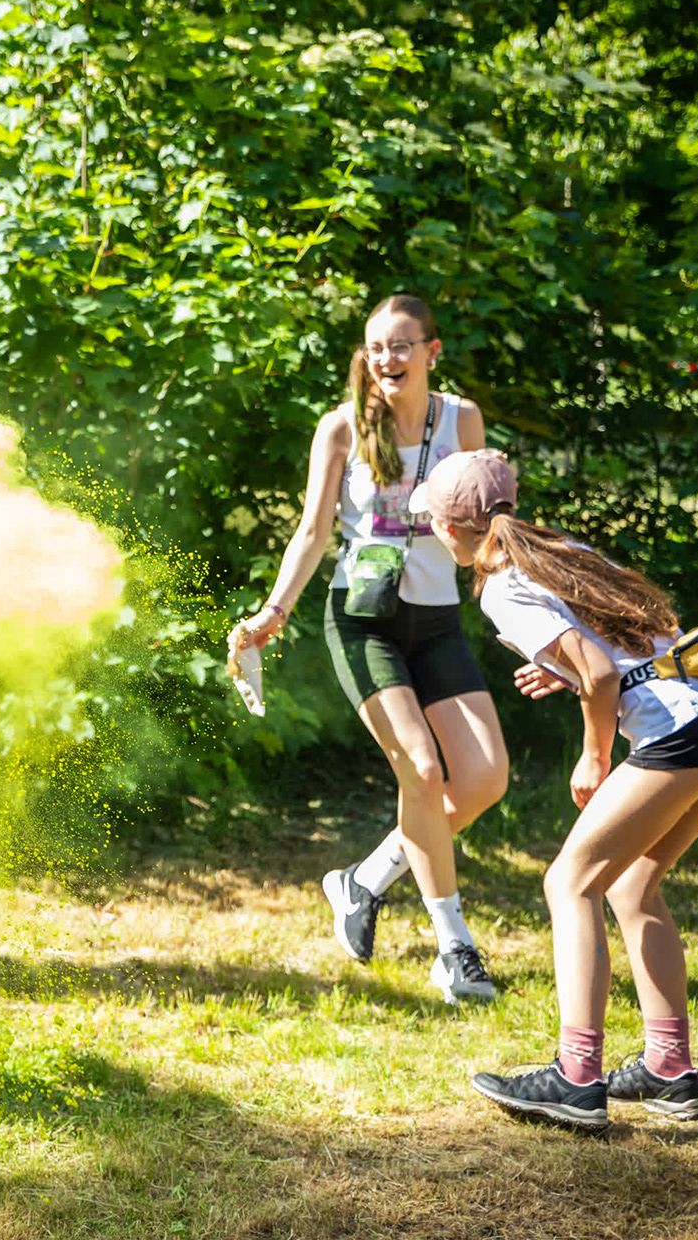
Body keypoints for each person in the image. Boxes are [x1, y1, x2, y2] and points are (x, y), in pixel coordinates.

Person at [417, 451, 698, 1129]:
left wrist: (594, 755)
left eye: (431, 519)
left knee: (569, 883)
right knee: (633, 887)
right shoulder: (557, 550)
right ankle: (669, 1069)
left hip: (682, 733)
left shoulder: (501, 586)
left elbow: (602, 674)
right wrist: (569, 670)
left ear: (451, 528)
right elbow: (622, 648)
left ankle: (577, 1079)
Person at [230, 294, 508, 1003]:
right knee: (423, 769)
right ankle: (455, 949)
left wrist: (529, 617)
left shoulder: (462, 420)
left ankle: (365, 879)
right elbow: (312, 531)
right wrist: (272, 613)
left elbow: (487, 527)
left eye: (402, 345)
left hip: (437, 619)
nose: (388, 358)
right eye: (377, 346)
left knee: (484, 778)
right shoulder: (342, 427)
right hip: (362, 620)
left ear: (431, 352)